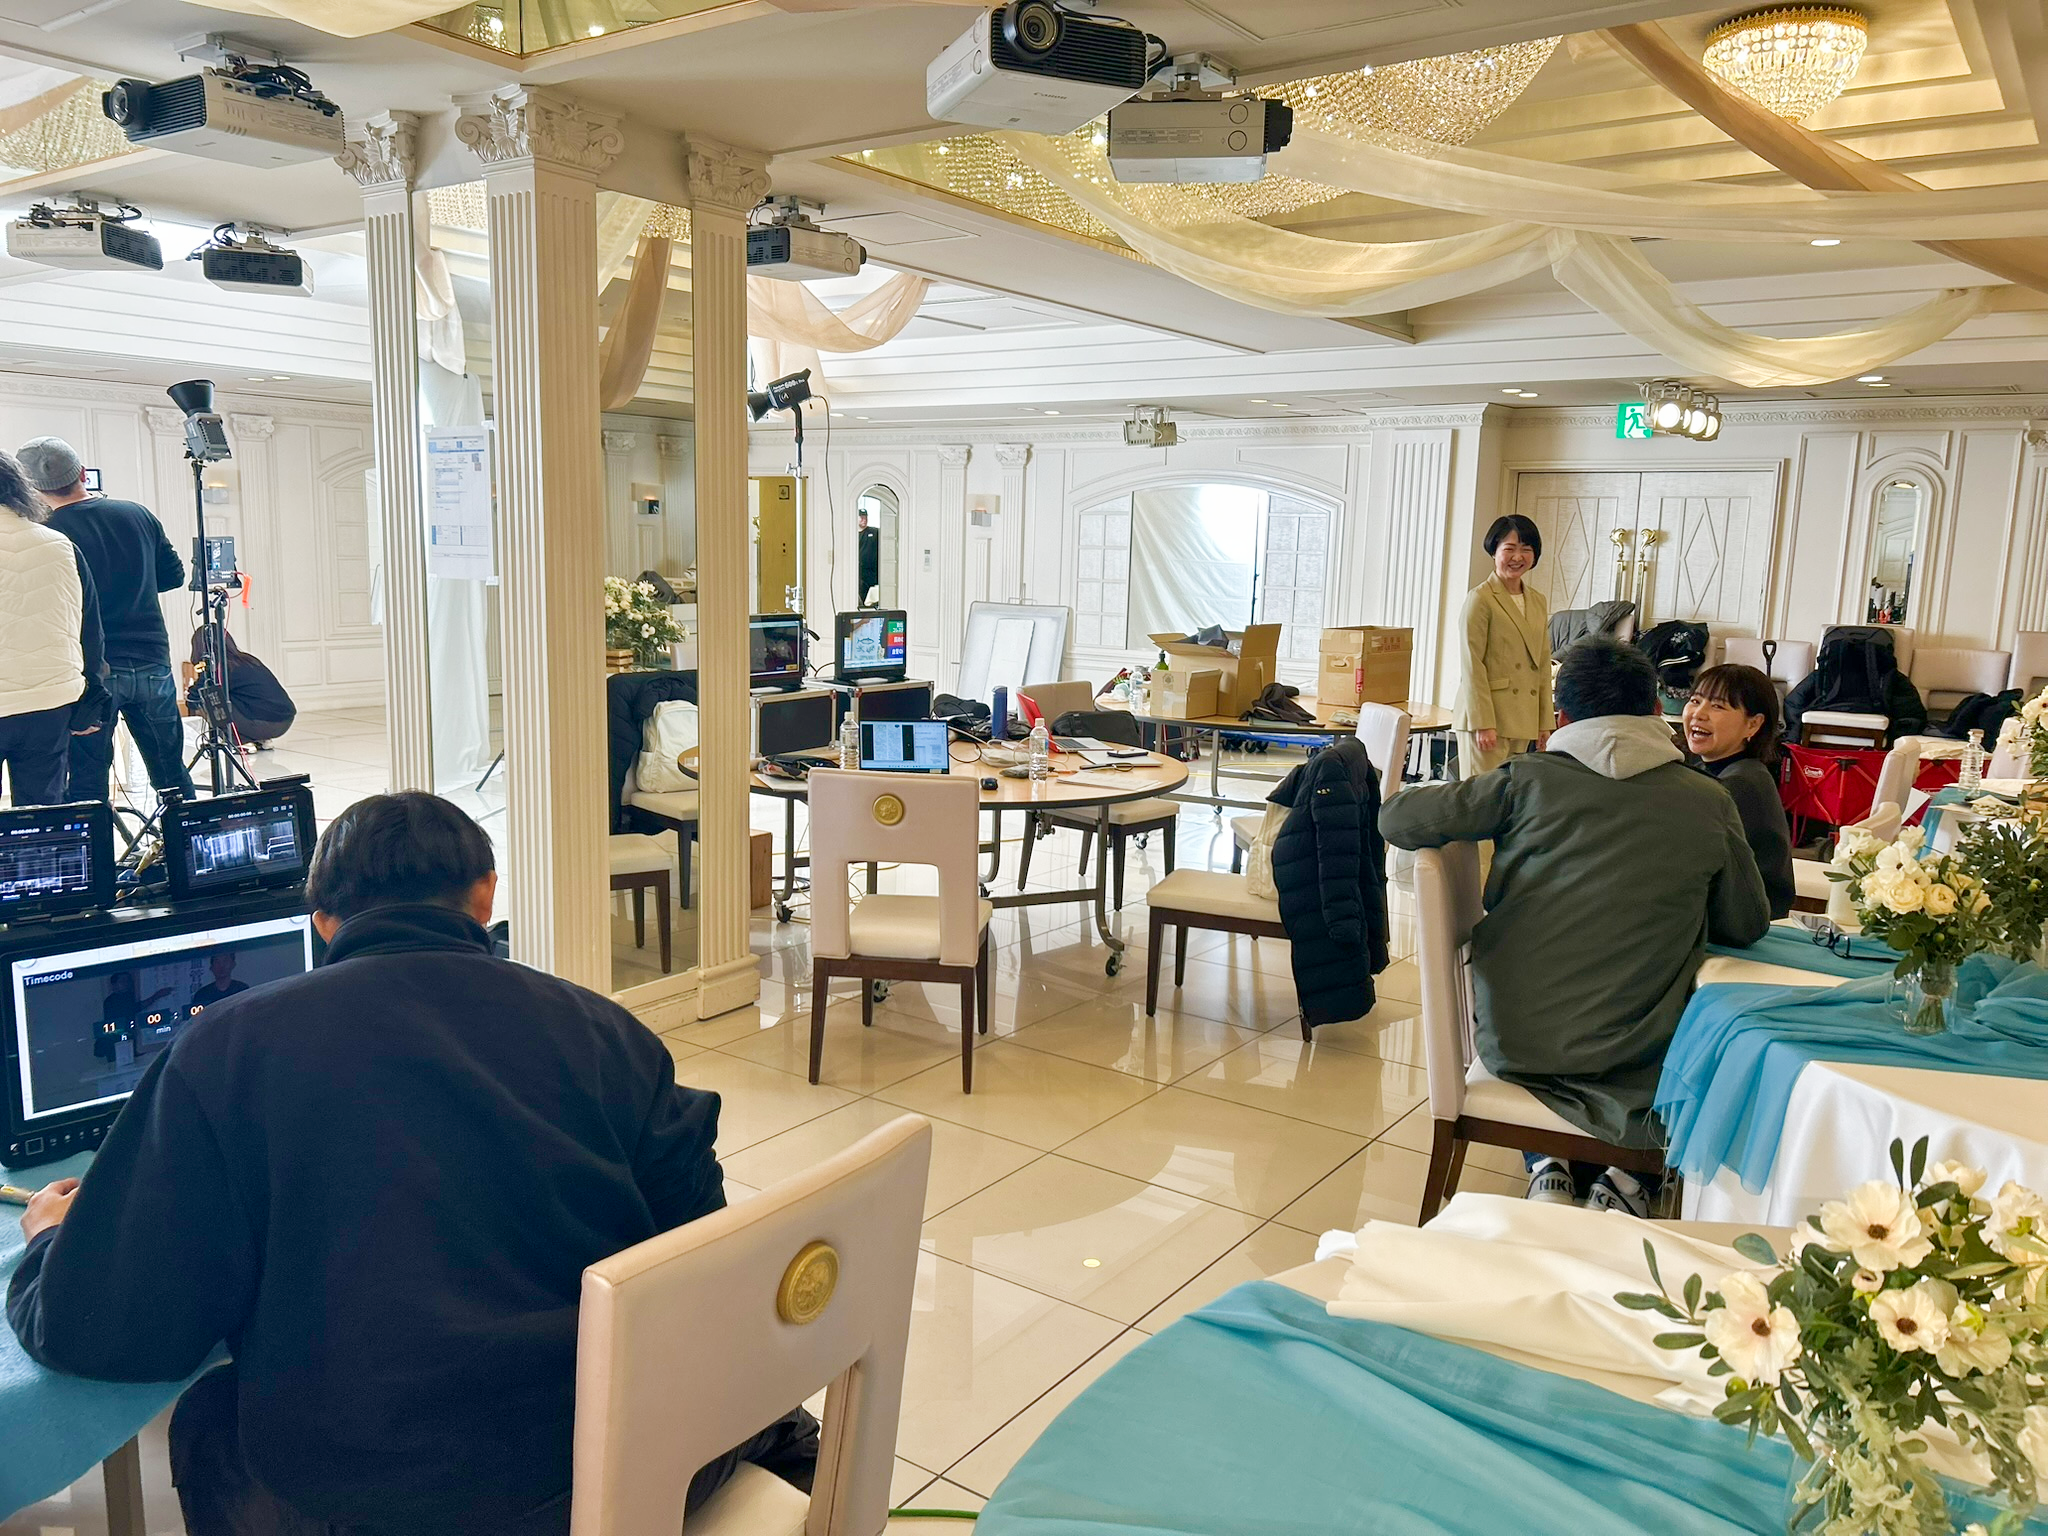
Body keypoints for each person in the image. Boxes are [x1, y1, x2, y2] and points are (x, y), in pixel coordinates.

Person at [8, 792, 817, 1536]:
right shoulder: (608, 1033)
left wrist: (50, 1240)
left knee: (212, 1420)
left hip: (380, 1499)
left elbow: (102, 1329)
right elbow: (707, 1261)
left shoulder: (221, 1052)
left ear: (324, 922)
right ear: (486, 895)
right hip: (631, 1459)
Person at [1379, 638, 1770, 1213]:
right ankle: (1626, 1180)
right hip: (1639, 1053)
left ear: (1561, 719)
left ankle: (1547, 1163)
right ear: (1656, 711)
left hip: (1519, 1041)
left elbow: (1397, 819)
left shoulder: (1524, 781)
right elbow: (1745, 924)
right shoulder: (1708, 800)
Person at [18, 436, 195, 804]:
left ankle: (97, 845)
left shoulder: (48, 535)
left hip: (93, 671)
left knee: (88, 781)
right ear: (83, 473)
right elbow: (173, 576)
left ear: (31, 489)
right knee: (171, 773)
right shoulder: (137, 514)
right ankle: (191, 838)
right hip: (152, 661)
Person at [0, 448, 108, 806]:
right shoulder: (60, 545)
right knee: (44, 814)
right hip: (50, 703)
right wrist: (91, 697)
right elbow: (89, 630)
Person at [1681, 663, 1796, 920]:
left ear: (1753, 725)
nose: (1699, 713)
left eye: (1717, 706)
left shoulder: (1739, 784)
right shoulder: (1719, 770)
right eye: (1695, 701)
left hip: (1746, 923)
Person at [1455, 513, 1552, 779]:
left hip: (1522, 717)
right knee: (1482, 796)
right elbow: (1472, 665)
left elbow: (1542, 663)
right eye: (1509, 548)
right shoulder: (1480, 599)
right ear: (1494, 551)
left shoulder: (1537, 600)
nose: (1517, 557)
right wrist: (1483, 723)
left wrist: (1544, 722)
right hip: (1488, 720)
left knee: (1510, 795)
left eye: (1526, 549)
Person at [856, 507, 881, 607]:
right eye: (861, 517)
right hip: (860, 574)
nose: (864, 519)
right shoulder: (852, 534)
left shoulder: (875, 532)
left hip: (873, 574)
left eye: (865, 517)